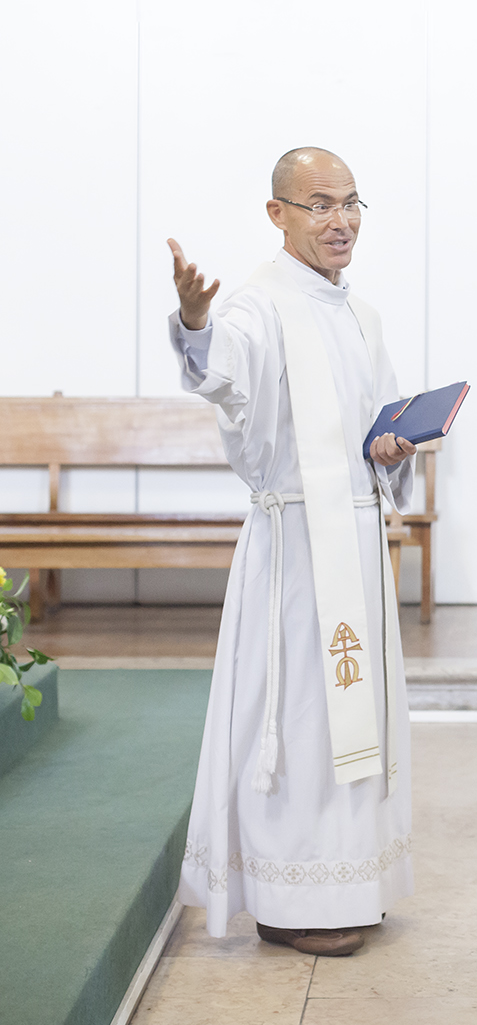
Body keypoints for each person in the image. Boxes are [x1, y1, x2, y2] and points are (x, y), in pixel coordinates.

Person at [168, 148, 417, 957]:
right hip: (294, 549)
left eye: (350, 203)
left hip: (352, 536)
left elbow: (375, 422)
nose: (339, 220)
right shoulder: (256, 305)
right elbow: (225, 377)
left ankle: (348, 881)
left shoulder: (358, 314)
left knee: (353, 715)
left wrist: (390, 447)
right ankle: (287, 897)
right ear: (278, 214)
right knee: (300, 715)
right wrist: (196, 325)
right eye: (318, 204)